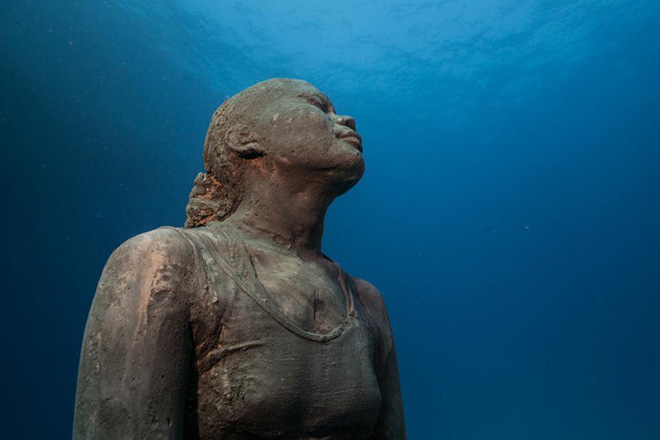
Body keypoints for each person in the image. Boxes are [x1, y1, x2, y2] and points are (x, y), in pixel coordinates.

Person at [73, 78, 406, 439]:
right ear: (245, 137)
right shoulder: (164, 260)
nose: (346, 120)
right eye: (317, 106)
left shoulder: (367, 302)